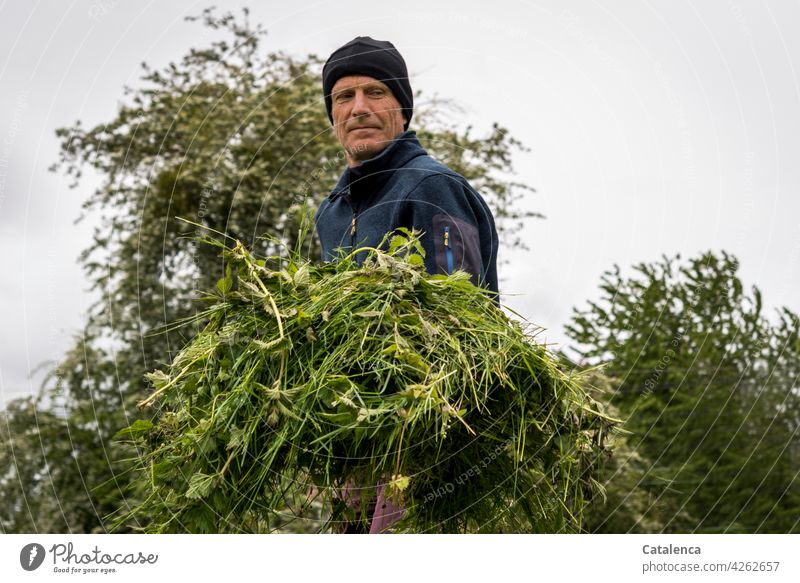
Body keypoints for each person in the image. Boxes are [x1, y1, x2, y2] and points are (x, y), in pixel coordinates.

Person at [314, 36, 500, 533]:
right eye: (343, 97)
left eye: (375, 92)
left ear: (402, 108)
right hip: (354, 438)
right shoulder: (331, 214)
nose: (359, 108)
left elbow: (463, 320)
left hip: (424, 436)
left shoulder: (431, 187)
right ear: (332, 116)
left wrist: (424, 429)